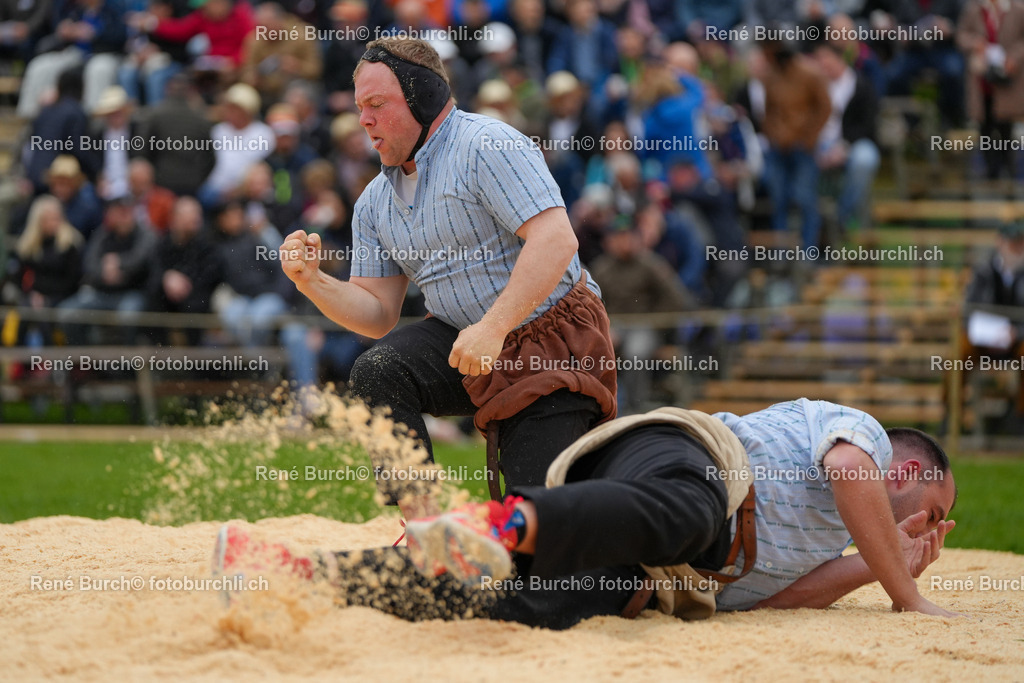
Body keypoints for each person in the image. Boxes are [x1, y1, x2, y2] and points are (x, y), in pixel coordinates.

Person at [214, 399, 960, 628]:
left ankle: (295, 569)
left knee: (533, 602)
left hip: (649, 555)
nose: (933, 531)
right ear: (909, 469)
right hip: (689, 458)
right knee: (695, 511)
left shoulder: (840, 537)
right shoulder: (858, 435)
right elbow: (848, 473)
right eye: (933, 509)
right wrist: (908, 590)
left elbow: (765, 597)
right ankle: (492, 521)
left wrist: (873, 564)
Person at [280, 37, 617, 519]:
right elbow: (376, 316)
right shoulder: (374, 201)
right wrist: (312, 281)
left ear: (423, 96)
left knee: (538, 531)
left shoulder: (487, 144)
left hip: (551, 345)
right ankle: (424, 531)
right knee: (379, 369)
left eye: (377, 104)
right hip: (469, 342)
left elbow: (556, 239)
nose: (364, 120)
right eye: (360, 107)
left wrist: (495, 326)